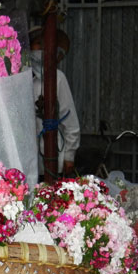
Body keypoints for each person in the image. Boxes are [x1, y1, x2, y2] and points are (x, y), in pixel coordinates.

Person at [30, 28, 81, 179]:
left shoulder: (58, 78)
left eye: (45, 44)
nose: (41, 48)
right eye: (38, 44)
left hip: (54, 157)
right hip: (30, 162)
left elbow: (69, 119)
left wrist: (69, 156)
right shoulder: (23, 78)